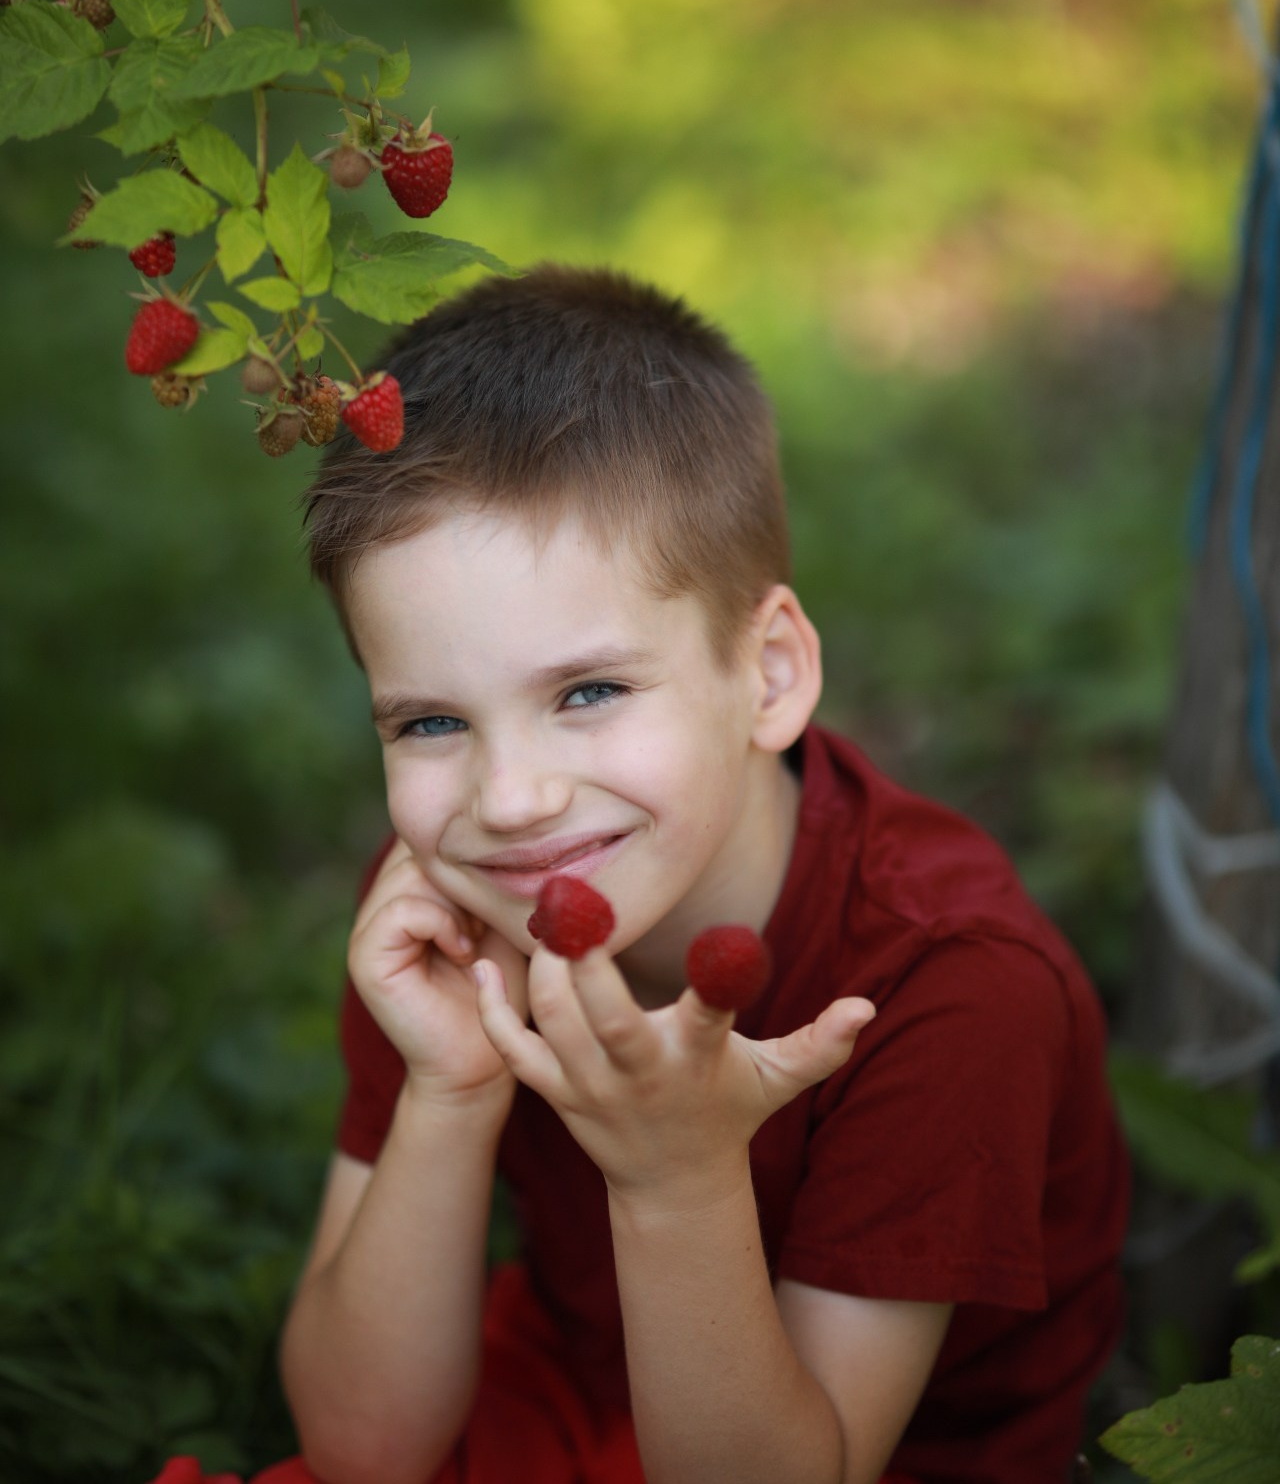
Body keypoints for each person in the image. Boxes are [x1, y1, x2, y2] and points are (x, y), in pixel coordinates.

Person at [177, 265, 1130, 1484]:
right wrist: (450, 1091)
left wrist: (676, 1177)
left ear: (770, 675)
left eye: (587, 692)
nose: (508, 800)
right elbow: (362, 1447)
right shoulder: (452, 906)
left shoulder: (942, 988)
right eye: (427, 723)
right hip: (590, 1380)